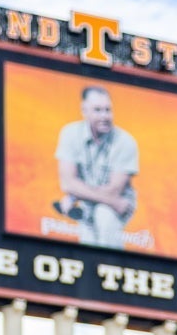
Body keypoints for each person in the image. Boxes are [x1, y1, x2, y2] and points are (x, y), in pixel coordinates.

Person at [54, 85, 139, 248]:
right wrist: (74, 195)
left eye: (108, 110)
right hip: (96, 202)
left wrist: (75, 195)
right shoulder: (70, 133)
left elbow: (114, 190)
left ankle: (113, 269)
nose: (105, 116)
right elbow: (67, 183)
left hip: (119, 203)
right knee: (87, 240)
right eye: (98, 110)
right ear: (84, 110)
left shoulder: (125, 141)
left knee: (104, 215)